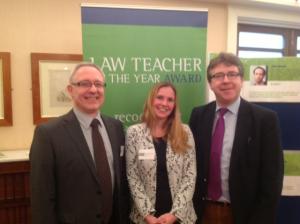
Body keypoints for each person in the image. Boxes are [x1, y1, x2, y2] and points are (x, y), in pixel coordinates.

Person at [30, 62, 130, 224]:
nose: (93, 90)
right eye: (84, 84)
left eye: (98, 84)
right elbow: (42, 198)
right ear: (70, 90)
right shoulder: (48, 135)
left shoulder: (116, 127)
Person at [189, 52, 283, 224]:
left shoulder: (264, 119)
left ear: (241, 80)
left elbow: (272, 179)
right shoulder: (198, 115)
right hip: (202, 213)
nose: (225, 80)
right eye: (218, 76)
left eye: (232, 74)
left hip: (244, 215)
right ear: (210, 83)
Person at [126, 82, 197, 224]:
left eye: (170, 100)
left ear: (174, 105)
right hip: (145, 218)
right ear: (151, 100)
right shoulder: (134, 133)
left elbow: (190, 176)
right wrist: (147, 215)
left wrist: (174, 214)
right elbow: (132, 176)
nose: (164, 103)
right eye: (160, 97)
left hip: (180, 217)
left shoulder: (185, 132)